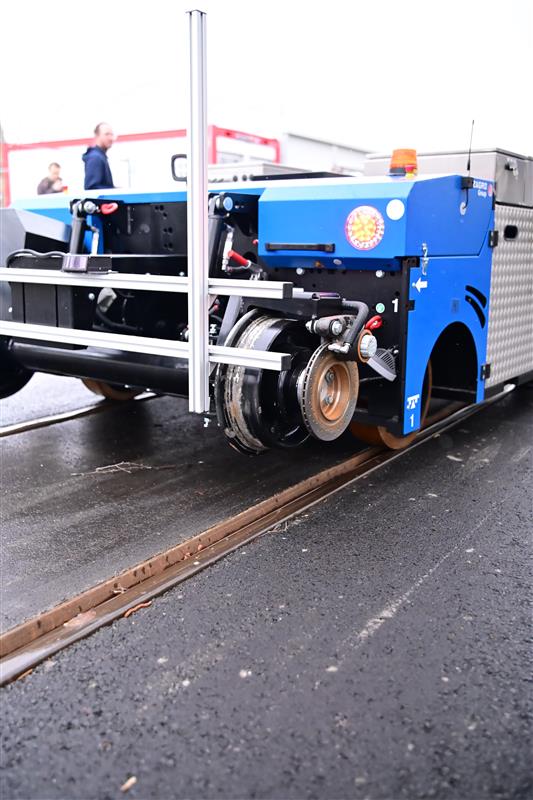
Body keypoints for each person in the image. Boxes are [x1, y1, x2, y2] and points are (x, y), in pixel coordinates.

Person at [82, 122, 115, 189]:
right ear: (97, 136)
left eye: (111, 134)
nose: (111, 138)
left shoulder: (100, 157)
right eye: (107, 134)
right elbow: (92, 188)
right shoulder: (95, 158)